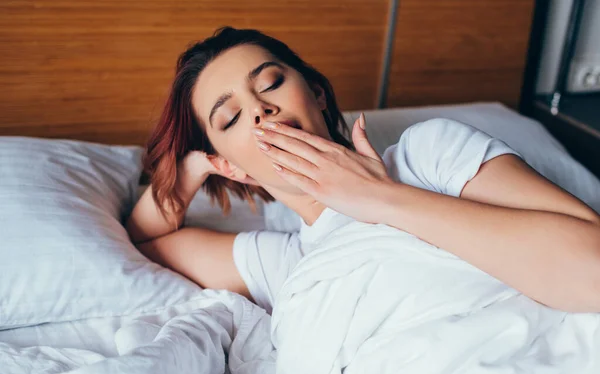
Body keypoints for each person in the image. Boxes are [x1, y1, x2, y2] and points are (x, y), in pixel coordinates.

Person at [126, 27, 600, 315]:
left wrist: (379, 198)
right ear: (231, 165)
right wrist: (191, 166)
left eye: (270, 82)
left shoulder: (427, 154)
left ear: (317, 93)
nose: (258, 111)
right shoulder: (287, 266)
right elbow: (143, 243)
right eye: (229, 119)